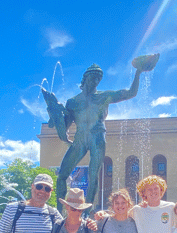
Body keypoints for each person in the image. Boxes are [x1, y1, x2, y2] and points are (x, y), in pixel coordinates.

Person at [41, 55, 158, 207]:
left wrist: (138, 73)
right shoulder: (72, 102)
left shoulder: (104, 96)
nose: (95, 81)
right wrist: (54, 114)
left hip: (97, 137)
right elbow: (64, 126)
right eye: (93, 77)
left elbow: (131, 93)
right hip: (80, 139)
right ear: (86, 78)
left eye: (98, 79)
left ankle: (88, 210)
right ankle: (58, 211)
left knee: (93, 174)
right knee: (62, 175)